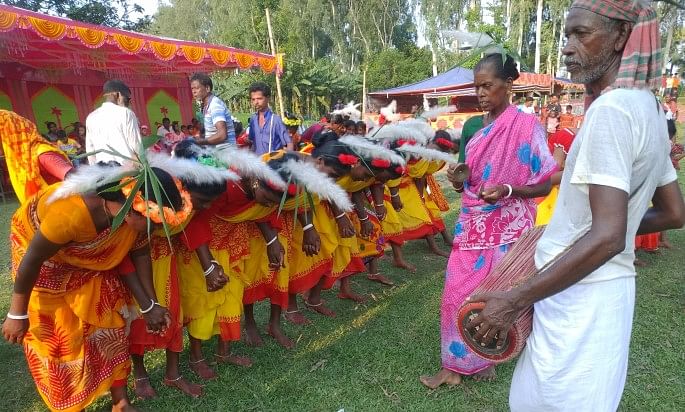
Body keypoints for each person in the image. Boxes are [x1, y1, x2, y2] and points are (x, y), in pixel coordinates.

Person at [465, 2, 685, 411]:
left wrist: (513, 300)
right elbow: (674, 212)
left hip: (580, 297)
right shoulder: (651, 108)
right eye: (567, 35)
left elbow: (608, 237)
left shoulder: (612, 111)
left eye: (581, 34)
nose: (567, 47)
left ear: (621, 36)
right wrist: (582, 231)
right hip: (600, 291)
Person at [420, 53, 556, 389]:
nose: (480, 93)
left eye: (487, 85)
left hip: (509, 227)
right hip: (472, 223)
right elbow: (466, 176)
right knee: (456, 294)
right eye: (476, 86)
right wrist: (457, 178)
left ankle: (482, 360)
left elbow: (547, 178)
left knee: (497, 296)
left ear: (508, 85)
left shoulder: (526, 127)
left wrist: (509, 188)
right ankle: (454, 366)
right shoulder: (471, 126)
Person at [2, 165, 181, 412]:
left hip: (90, 265)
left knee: (112, 324)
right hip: (46, 265)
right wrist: (17, 314)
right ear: (133, 211)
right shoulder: (69, 215)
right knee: (61, 341)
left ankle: (120, 402)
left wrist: (151, 304)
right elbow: (31, 261)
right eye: (157, 222)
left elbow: (139, 254)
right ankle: (72, 407)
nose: (160, 229)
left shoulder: (129, 219)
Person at [0, 110, 73, 204]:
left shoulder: (42, 153)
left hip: (63, 210)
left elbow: (74, 176)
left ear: (10, 134)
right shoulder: (22, 159)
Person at [86, 80, 142, 164]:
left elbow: (90, 150)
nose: (129, 103)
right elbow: (137, 146)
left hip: (102, 171)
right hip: (126, 171)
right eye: (128, 99)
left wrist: (95, 170)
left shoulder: (91, 117)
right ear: (118, 95)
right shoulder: (126, 113)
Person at [190, 72, 236, 146]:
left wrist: (199, 142)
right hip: (216, 151)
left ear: (207, 88)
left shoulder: (215, 105)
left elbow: (222, 135)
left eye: (197, 88)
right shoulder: (206, 105)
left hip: (225, 152)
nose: (194, 92)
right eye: (192, 89)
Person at [247, 82, 292, 155]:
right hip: (257, 162)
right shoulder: (253, 119)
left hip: (273, 163)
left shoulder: (275, 120)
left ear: (268, 98)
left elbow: (289, 143)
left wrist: (288, 159)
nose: (256, 102)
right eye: (253, 99)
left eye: (259, 98)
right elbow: (253, 143)